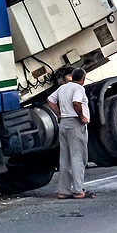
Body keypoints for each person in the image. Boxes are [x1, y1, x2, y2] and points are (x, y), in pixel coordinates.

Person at [48, 68, 93, 199]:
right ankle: (78, 190)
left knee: (65, 158)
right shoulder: (79, 89)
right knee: (78, 157)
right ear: (83, 79)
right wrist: (82, 117)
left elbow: (50, 100)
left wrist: (59, 114)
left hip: (63, 124)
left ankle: (63, 191)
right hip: (75, 124)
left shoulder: (63, 88)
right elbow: (76, 103)